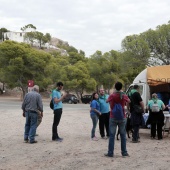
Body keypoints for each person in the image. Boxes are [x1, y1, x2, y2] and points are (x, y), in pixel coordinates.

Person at [105, 82, 130, 157]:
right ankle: (124, 152)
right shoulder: (124, 95)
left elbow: (107, 101)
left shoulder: (112, 95)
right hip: (122, 116)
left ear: (115, 87)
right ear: (121, 87)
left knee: (112, 135)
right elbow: (129, 101)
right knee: (123, 135)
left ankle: (110, 152)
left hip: (113, 116)